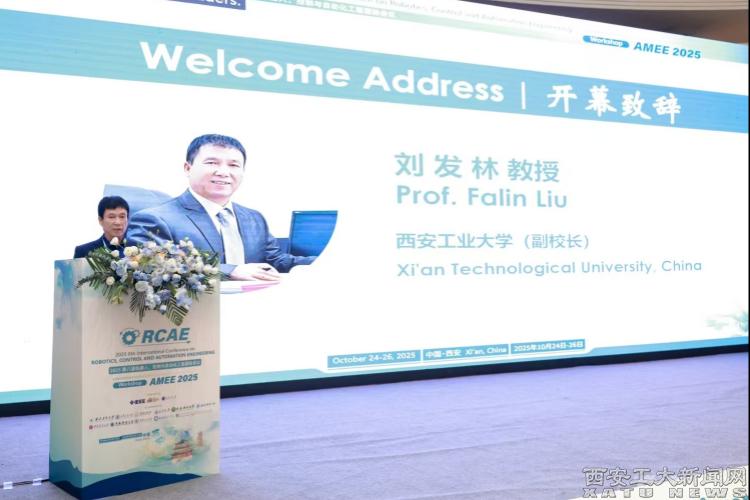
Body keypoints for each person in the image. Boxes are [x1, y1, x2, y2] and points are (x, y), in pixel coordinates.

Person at [128, 134, 314, 281]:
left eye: (233, 165)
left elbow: (276, 261)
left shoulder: (254, 218)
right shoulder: (154, 219)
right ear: (188, 168)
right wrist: (230, 271)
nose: (224, 172)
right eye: (212, 163)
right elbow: (152, 266)